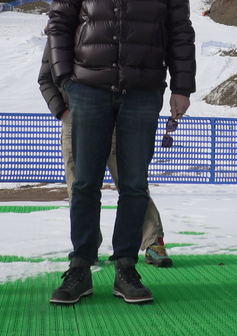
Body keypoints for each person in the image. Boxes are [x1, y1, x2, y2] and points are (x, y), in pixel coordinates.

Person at [46, 0, 195, 305]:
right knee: (86, 184)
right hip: (88, 90)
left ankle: (126, 268)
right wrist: (65, 78)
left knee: (133, 184)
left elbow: (181, 31)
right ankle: (80, 268)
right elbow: (58, 24)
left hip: (143, 92)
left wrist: (182, 85)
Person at [38, 39, 173, 267]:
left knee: (133, 185)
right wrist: (63, 112)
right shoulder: (61, 31)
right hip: (79, 120)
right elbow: (45, 78)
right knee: (80, 188)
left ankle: (153, 242)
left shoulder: (116, 23)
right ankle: (86, 248)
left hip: (120, 117)